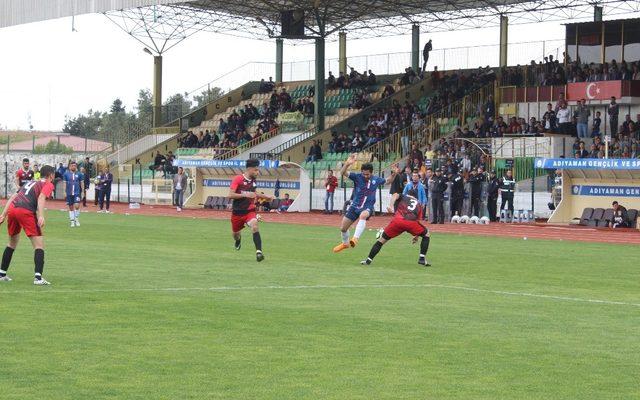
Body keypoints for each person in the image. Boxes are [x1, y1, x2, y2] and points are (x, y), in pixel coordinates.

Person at [0, 165, 56, 285]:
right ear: (51, 175)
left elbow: (14, 196)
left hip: (13, 209)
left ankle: (2, 274)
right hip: (25, 211)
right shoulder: (48, 184)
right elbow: (41, 197)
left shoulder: (30, 182)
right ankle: (38, 278)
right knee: (39, 245)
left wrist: (3, 214)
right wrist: (41, 215)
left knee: (11, 243)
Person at [332, 154, 396, 253]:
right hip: (354, 206)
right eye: (364, 174)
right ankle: (345, 244)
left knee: (363, 215)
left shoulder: (376, 180)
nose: (365, 176)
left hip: (367, 207)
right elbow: (342, 172)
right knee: (343, 228)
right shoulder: (357, 177)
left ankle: (355, 239)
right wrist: (347, 164)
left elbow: (388, 181)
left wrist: (394, 174)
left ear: (372, 172)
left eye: (367, 174)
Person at [361, 193, 431, 267]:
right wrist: (416, 236)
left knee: (381, 240)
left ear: (409, 195)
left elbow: (395, 195)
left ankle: (368, 260)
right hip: (410, 223)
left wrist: (390, 206)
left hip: (398, 221)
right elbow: (417, 221)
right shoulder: (419, 205)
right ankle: (422, 258)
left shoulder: (405, 196)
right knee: (426, 234)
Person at [228, 159, 272, 262]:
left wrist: (267, 197)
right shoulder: (238, 179)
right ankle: (238, 241)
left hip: (249, 211)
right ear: (249, 169)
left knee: (255, 225)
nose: (258, 172)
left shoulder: (253, 181)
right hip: (237, 213)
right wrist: (245, 194)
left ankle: (259, 252)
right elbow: (230, 195)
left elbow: (254, 193)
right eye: (256, 170)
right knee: (235, 234)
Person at [63, 161, 84, 227]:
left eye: (74, 165)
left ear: (76, 166)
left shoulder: (80, 174)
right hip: (69, 193)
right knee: (71, 207)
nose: (73, 167)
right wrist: (64, 192)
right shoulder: (66, 174)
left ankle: (76, 219)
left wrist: (83, 191)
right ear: (69, 167)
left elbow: (82, 183)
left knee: (77, 206)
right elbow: (64, 183)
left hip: (77, 192)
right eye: (72, 165)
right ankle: (72, 221)